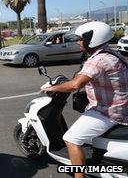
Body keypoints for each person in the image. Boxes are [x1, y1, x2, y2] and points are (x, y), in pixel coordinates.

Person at [41, 21, 128, 178]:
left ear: (92, 40)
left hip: (109, 112)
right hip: (121, 106)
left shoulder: (97, 61)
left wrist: (51, 88)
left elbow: (75, 84)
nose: (78, 42)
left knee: (70, 138)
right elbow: (83, 74)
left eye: (81, 39)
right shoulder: (112, 53)